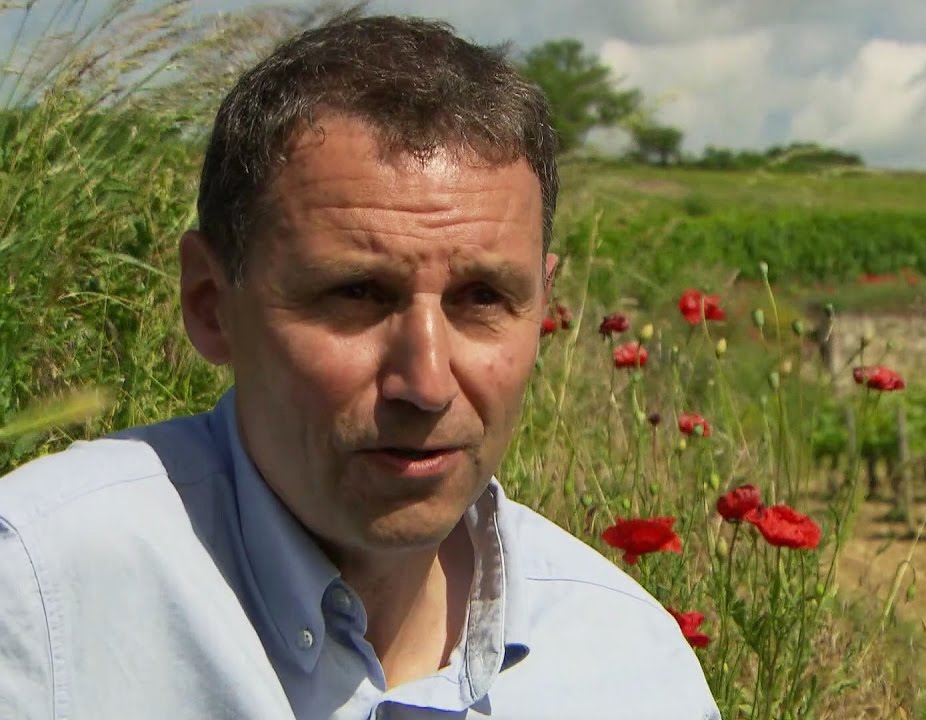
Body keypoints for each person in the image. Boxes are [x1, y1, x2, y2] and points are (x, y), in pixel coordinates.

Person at [0, 14, 720, 720]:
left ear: (543, 306)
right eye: (357, 294)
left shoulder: (629, 663)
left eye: (481, 298)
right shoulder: (40, 608)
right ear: (211, 303)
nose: (428, 383)